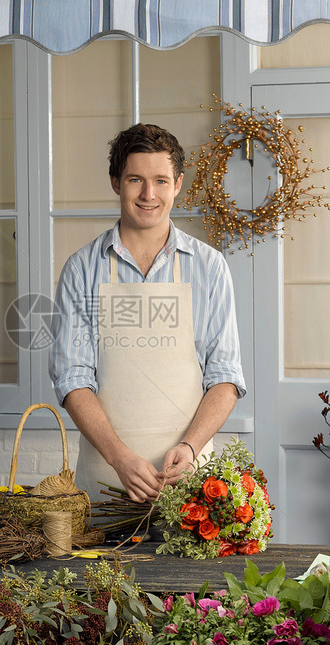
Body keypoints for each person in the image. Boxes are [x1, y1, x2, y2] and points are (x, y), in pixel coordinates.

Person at [48, 123, 246, 505]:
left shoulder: (209, 267)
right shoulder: (81, 269)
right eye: (135, 179)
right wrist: (119, 458)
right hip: (107, 484)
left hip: (190, 484)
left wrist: (189, 448)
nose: (148, 194)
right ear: (115, 182)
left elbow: (224, 376)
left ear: (178, 184)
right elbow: (72, 378)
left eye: (160, 180)